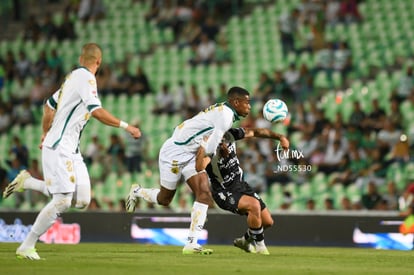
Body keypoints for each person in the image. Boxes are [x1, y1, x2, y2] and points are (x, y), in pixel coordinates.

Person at [2, 43, 141, 260]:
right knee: (63, 201)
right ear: (99, 62)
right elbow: (96, 112)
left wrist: (44, 131)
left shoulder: (71, 79)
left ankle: (29, 182)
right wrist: (127, 126)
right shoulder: (86, 78)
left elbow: (49, 105)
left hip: (71, 150)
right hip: (59, 147)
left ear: (80, 57)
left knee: (82, 201)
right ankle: (27, 245)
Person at [126, 86, 251, 255]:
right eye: (247, 102)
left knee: (204, 194)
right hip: (175, 153)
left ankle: (191, 243)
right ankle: (137, 191)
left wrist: (216, 147)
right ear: (236, 102)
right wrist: (209, 157)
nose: (249, 106)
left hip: (191, 153)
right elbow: (211, 143)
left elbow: (210, 133)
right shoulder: (226, 115)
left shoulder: (225, 112)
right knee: (165, 199)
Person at [195, 127, 289, 255]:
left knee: (267, 222)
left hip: (241, 185)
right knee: (254, 205)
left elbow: (256, 132)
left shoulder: (231, 134)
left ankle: (244, 241)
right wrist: (203, 146)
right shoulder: (210, 147)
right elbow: (199, 166)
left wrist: (280, 137)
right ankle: (261, 248)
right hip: (224, 192)